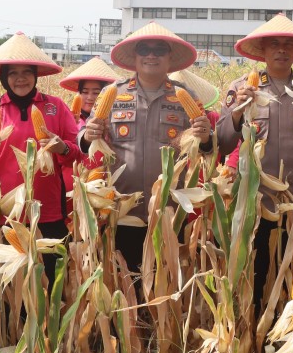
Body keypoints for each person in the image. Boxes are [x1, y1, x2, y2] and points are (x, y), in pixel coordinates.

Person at [216, 14, 293, 307]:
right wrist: (236, 114)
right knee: (255, 281)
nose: (282, 50)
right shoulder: (241, 88)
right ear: (262, 50)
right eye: (275, 44)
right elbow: (222, 143)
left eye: (288, 45)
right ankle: (255, 341)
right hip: (254, 204)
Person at [80, 22, 212, 272]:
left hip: (168, 209)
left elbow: (206, 145)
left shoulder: (186, 95)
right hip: (121, 206)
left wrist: (205, 137)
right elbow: (87, 136)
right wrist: (88, 135)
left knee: (164, 278)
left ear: (169, 58)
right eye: (145, 49)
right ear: (135, 57)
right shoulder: (113, 93)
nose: (151, 55)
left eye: (159, 50)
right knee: (123, 277)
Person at [0, 32, 83, 287]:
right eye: (13, 74)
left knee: (50, 281)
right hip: (3, 214)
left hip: (47, 211)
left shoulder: (56, 107)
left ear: (35, 75)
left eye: (26, 72)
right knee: (3, 287)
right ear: (4, 78)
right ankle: (3, 328)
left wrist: (62, 148)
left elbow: (77, 155)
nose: (20, 79)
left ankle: (48, 327)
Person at [57, 56, 118, 217]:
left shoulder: (116, 122)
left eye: (96, 93)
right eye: (84, 92)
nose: (90, 97)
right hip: (71, 189)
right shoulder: (67, 118)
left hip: (102, 189)